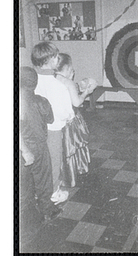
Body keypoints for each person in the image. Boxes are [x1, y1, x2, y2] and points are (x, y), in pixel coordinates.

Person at [31, 42, 73, 205]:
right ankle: (54, 193)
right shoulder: (57, 85)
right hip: (54, 129)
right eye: (56, 56)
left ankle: (39, 189)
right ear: (50, 60)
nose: (58, 58)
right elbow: (65, 112)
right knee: (54, 160)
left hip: (36, 129)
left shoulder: (33, 79)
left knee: (40, 161)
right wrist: (70, 117)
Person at [20, 66, 62, 222]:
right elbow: (50, 119)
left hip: (22, 146)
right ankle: (47, 210)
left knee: (25, 180)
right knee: (44, 179)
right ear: (35, 83)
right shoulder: (41, 101)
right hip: (37, 145)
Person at [54, 53, 95, 187]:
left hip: (54, 120)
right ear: (67, 67)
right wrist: (86, 92)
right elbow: (76, 103)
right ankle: (75, 171)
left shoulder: (52, 78)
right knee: (72, 147)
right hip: (69, 120)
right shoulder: (68, 82)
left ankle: (58, 175)